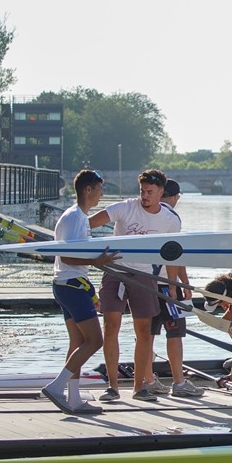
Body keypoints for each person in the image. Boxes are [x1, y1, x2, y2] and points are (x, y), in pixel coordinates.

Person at [89, 168, 182, 403]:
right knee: (111, 326)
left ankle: (139, 387)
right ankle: (112, 387)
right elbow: (90, 223)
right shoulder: (125, 207)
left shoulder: (171, 220)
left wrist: (172, 286)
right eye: (142, 191)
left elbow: (172, 254)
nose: (145, 196)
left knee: (144, 332)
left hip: (144, 275)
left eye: (150, 192)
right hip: (115, 272)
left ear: (161, 192)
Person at [41, 170, 119, 414]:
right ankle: (57, 386)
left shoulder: (79, 217)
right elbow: (65, 255)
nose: (101, 194)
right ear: (88, 190)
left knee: (77, 342)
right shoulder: (75, 218)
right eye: (99, 189)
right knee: (95, 340)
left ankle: (73, 399)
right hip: (71, 286)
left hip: (68, 286)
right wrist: (98, 262)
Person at [147, 179, 204, 397]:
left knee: (147, 335)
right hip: (166, 285)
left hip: (146, 283)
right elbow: (174, 254)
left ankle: (147, 379)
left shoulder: (147, 213)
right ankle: (179, 383)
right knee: (175, 333)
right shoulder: (171, 217)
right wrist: (180, 284)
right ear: (174, 197)